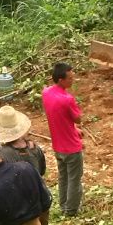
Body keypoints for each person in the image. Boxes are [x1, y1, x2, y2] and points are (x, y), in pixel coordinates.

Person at [0, 105, 69, 225]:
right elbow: (42, 170)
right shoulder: (34, 148)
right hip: (37, 193)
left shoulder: (4, 155)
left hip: (19, 200)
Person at [42, 62, 83, 217]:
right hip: (72, 148)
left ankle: (63, 205)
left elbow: (60, 117)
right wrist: (76, 124)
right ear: (60, 80)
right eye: (70, 78)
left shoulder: (46, 93)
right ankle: (71, 211)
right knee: (74, 179)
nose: (73, 80)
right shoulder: (67, 99)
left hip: (58, 146)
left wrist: (73, 128)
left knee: (63, 176)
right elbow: (78, 118)